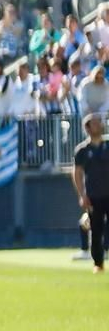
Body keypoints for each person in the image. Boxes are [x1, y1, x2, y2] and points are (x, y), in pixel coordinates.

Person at [71, 113, 109, 274]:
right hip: (94, 195)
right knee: (96, 229)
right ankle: (98, 263)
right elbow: (77, 173)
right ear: (87, 128)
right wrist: (82, 195)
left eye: (99, 122)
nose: (99, 125)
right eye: (95, 123)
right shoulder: (82, 150)